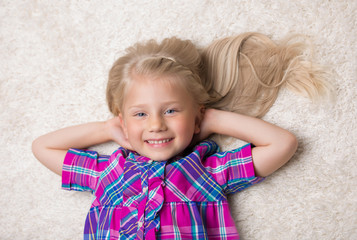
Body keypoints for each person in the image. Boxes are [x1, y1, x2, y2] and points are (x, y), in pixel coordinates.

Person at [32, 33, 331, 239]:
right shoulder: (109, 172)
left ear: (196, 114)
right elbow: (42, 146)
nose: (156, 125)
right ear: (123, 121)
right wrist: (105, 128)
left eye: (171, 111)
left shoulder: (207, 171)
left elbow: (283, 144)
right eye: (140, 114)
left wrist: (214, 119)